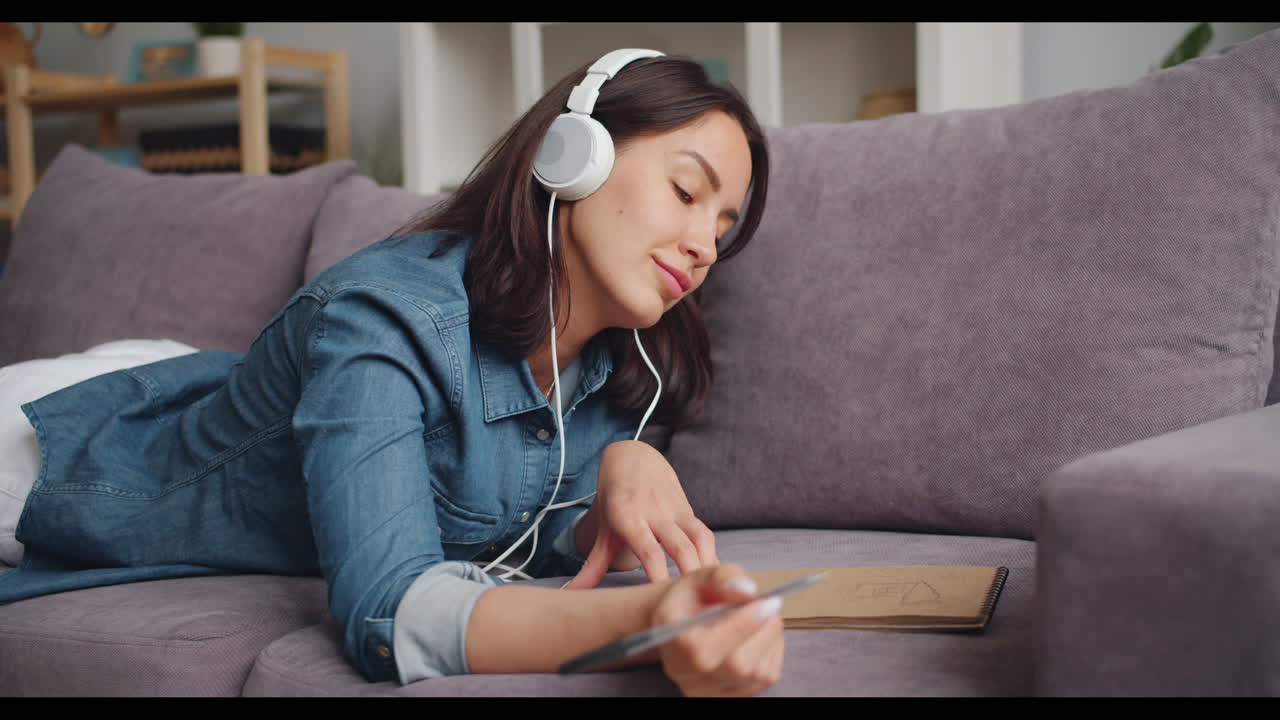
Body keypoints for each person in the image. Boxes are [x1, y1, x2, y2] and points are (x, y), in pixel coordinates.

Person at [0, 48, 776, 696]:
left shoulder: (619, 368)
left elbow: (519, 536)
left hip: (198, 387)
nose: (704, 244)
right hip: (65, 452)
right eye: (685, 191)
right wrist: (652, 623)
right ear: (575, 157)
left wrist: (616, 480)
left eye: (722, 226)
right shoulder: (384, 317)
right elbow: (389, 611)